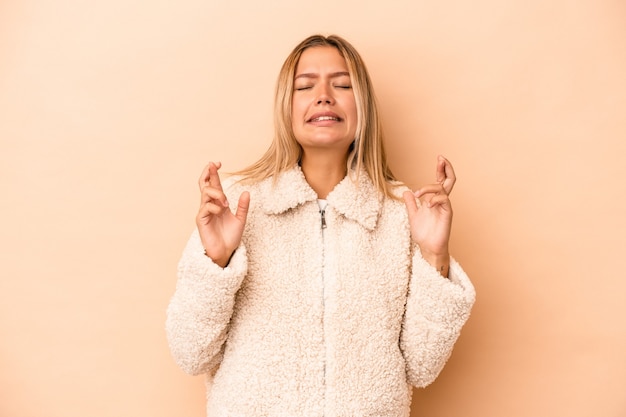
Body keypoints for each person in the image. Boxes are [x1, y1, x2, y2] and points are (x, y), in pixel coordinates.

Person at [166, 34, 475, 417]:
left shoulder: (401, 214)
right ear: (287, 106)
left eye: (343, 84)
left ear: (362, 106)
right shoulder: (238, 206)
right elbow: (191, 354)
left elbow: (421, 367)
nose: (324, 95)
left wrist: (434, 256)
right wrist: (216, 260)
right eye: (305, 85)